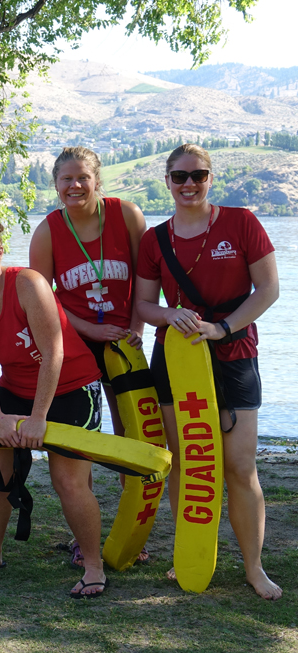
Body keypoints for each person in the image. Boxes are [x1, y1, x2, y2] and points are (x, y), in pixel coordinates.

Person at [134, 143, 281, 600]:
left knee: (239, 466)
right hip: (176, 359)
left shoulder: (241, 222)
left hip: (234, 355)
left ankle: (254, 568)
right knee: (187, 462)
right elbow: (143, 305)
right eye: (179, 177)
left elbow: (269, 289)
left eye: (198, 175)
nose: (189, 184)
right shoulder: (154, 239)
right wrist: (168, 314)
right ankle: (192, 554)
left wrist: (222, 329)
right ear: (167, 182)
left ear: (210, 178)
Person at [0, 219, 107, 596]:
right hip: (15, 390)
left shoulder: (28, 284)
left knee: (67, 479)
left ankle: (93, 565)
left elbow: (53, 352)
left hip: (72, 386)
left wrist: (39, 418)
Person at [28, 146, 149, 566]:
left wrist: (137, 327)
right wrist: (90, 329)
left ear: (97, 180)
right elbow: (41, 301)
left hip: (125, 340)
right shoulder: (48, 231)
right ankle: (86, 536)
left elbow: (146, 277)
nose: (75, 185)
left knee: (132, 434)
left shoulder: (126, 215)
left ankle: (133, 529)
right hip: (77, 341)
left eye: (83, 177)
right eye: (66, 179)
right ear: (56, 184)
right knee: (82, 437)